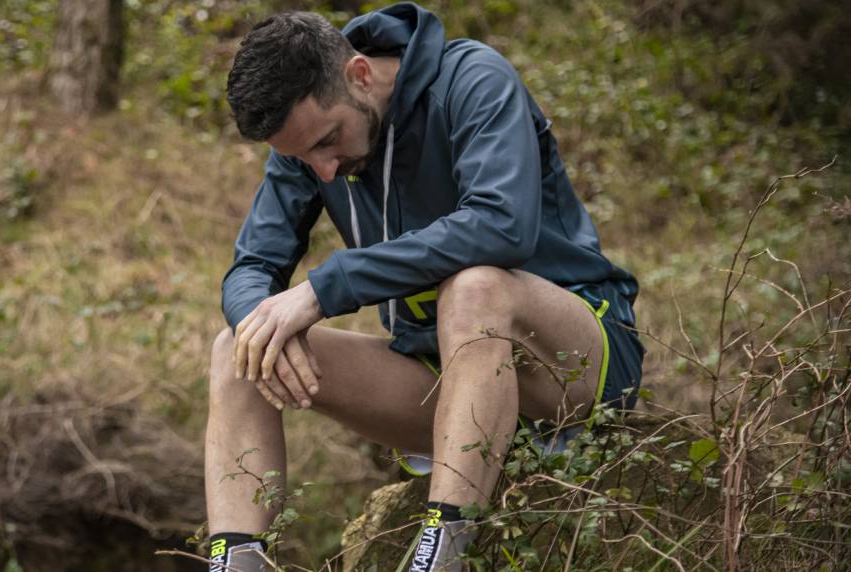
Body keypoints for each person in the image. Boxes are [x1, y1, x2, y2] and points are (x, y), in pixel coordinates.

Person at [205, 3, 646, 571]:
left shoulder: (471, 80)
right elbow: (252, 267)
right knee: (238, 349)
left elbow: (501, 224)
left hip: (573, 363)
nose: (324, 171)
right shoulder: (309, 142)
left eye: (327, 141)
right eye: (302, 156)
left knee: (475, 287)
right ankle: (236, 562)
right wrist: (259, 322)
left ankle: (443, 555)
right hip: (443, 380)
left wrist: (323, 289)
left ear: (359, 74)